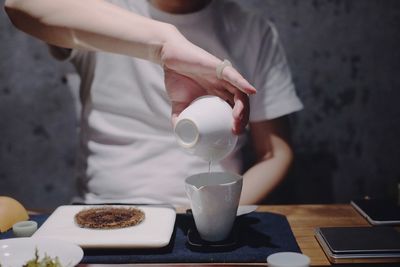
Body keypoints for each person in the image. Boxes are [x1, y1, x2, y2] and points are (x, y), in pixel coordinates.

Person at [4, 0, 303, 206]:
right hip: (101, 208)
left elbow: (275, 153)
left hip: (204, 215)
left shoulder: (252, 31)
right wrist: (163, 43)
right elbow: (19, 6)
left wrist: (217, 211)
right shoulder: (100, 12)